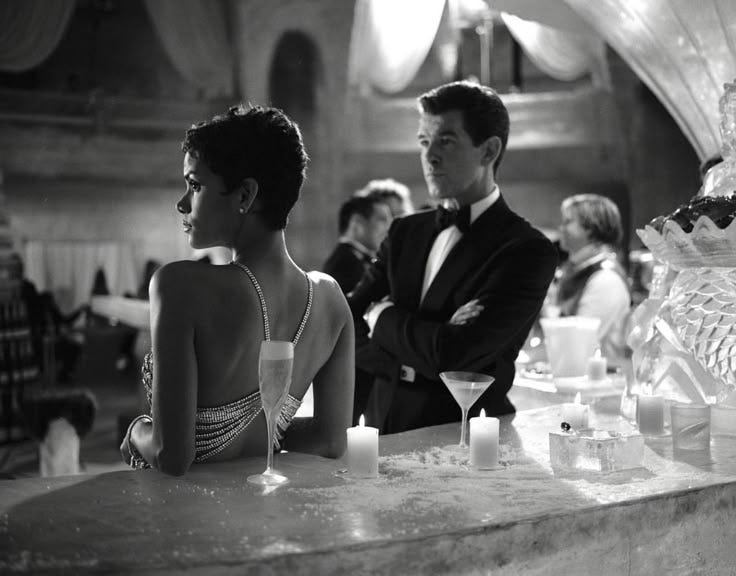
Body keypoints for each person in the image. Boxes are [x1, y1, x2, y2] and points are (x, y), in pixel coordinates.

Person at [120, 105, 354, 475]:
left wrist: (136, 432)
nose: (182, 203)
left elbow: (171, 456)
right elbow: (330, 441)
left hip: (188, 508)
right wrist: (263, 434)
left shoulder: (179, 285)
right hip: (264, 504)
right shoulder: (330, 298)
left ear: (245, 195)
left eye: (195, 185)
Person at [348, 81, 558, 434]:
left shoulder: (527, 249)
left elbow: (456, 356)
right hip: (383, 424)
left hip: (469, 434)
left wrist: (380, 315)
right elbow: (347, 322)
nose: (429, 156)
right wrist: (421, 347)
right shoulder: (404, 231)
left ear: (488, 151)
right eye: (424, 141)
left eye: (446, 141)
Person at [553, 193, 631, 366]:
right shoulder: (578, 271)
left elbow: (579, 344)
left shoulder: (606, 279)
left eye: (568, 221)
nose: (561, 228)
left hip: (599, 379)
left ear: (591, 227)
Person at [322, 195, 392, 294]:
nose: (388, 228)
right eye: (382, 220)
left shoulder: (353, 259)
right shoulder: (344, 265)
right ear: (358, 222)